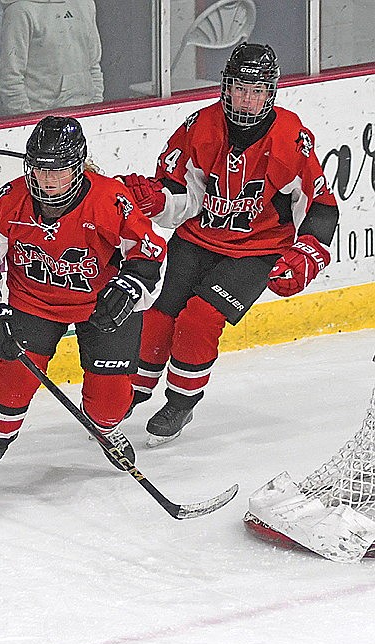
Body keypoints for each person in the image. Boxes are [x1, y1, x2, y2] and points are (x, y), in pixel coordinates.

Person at [120, 43, 339, 447]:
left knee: (198, 320)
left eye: (257, 91)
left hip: (257, 251)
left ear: (271, 92)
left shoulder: (292, 137)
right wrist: (158, 201)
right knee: (158, 314)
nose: (248, 98)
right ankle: (135, 387)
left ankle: (181, 401)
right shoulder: (199, 127)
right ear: (226, 87)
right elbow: (183, 196)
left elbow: (320, 206)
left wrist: (308, 253)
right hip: (198, 239)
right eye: (241, 88)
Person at [0, 116, 165, 489]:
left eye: (58, 171)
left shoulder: (109, 198)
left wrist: (128, 288)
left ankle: (107, 428)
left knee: (108, 403)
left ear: (78, 166)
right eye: (40, 169)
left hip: (102, 305)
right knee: (11, 378)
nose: (47, 181)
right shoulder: (9, 200)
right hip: (35, 303)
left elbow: (148, 249)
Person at [0, 0, 103, 116]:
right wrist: (29, 123)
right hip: (41, 120)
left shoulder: (85, 4)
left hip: (87, 116)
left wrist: (96, 109)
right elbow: (10, 78)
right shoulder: (19, 11)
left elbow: (93, 65)